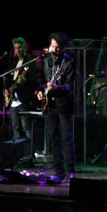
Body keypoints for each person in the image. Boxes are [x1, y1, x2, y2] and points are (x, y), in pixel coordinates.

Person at [36, 32, 76, 182]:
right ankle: (59, 172)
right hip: (49, 105)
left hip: (64, 105)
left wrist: (57, 88)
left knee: (66, 138)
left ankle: (70, 172)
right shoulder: (45, 60)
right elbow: (40, 80)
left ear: (63, 48)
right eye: (52, 46)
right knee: (54, 138)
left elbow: (70, 86)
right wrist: (40, 91)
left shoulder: (68, 62)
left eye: (58, 47)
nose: (54, 50)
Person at [5, 37, 40, 143]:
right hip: (13, 99)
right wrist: (6, 89)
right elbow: (9, 79)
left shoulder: (29, 62)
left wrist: (24, 80)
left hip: (23, 98)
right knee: (15, 126)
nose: (18, 50)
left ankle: (31, 149)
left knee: (26, 126)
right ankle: (17, 150)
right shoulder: (14, 62)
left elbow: (35, 79)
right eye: (15, 48)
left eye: (19, 47)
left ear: (24, 47)